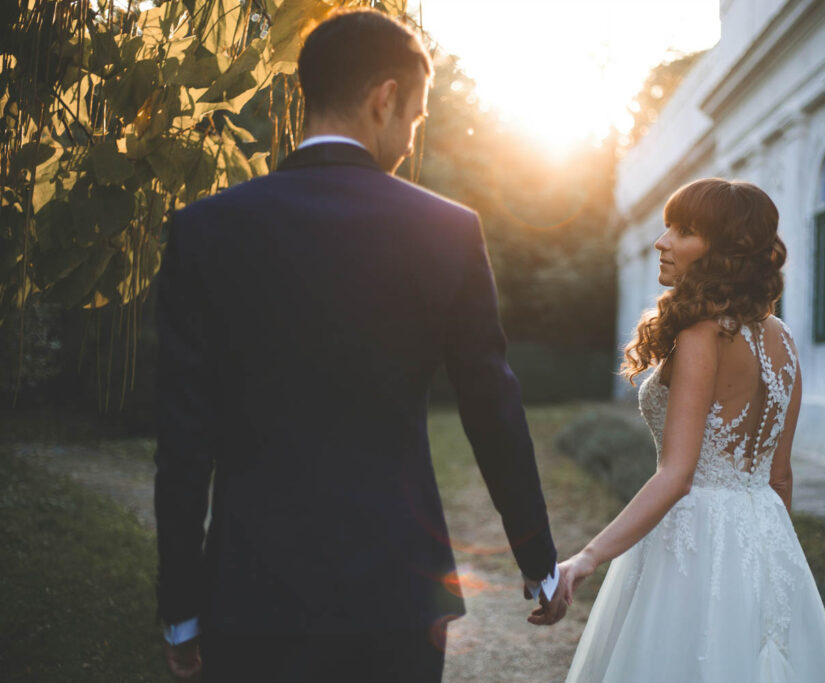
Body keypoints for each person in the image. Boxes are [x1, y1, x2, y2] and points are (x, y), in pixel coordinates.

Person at [154, 9, 567, 682]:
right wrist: (538, 561)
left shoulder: (204, 231)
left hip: (250, 596)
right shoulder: (449, 232)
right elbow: (492, 408)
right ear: (386, 99)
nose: (411, 135)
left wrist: (180, 606)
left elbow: (182, 441)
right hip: (397, 596)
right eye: (417, 116)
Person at [558, 178, 825, 681]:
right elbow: (780, 478)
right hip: (767, 536)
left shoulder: (701, 334)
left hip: (693, 539)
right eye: (668, 226)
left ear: (725, 251)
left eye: (684, 231)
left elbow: (677, 475)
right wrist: (772, 563)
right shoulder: (783, 340)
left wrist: (587, 558)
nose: (661, 242)